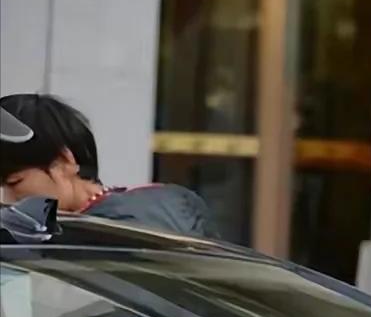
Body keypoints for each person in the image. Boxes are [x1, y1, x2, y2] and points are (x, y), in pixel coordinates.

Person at [0, 94, 216, 237]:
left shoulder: (99, 235)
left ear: (64, 161)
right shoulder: (170, 202)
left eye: (15, 182)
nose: (6, 200)